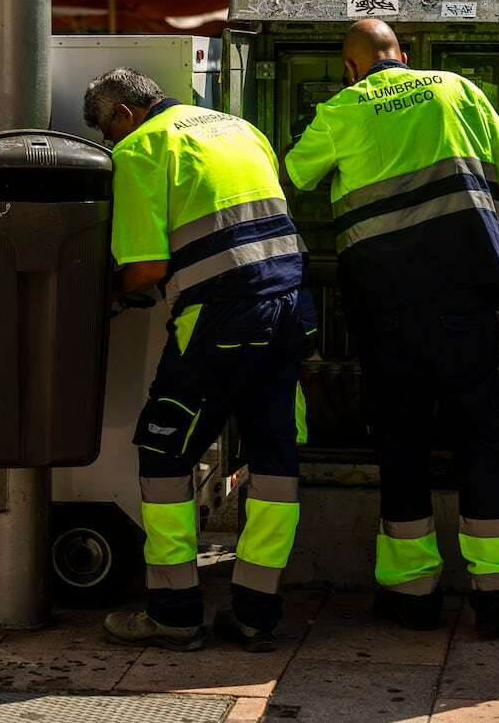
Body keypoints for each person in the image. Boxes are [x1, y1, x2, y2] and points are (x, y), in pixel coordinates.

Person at [284, 20, 499, 637]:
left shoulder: (340, 109)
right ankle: (498, 596)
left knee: (401, 442)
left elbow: (296, 177)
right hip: (464, 300)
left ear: (350, 67)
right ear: (405, 55)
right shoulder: (457, 89)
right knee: (479, 436)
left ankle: (413, 594)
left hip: (386, 309)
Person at [83, 68, 313, 653]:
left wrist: (105, 294)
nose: (113, 145)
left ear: (125, 117)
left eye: (109, 133)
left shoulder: (142, 148)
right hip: (290, 310)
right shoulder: (241, 127)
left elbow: (146, 268)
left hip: (221, 318)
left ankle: (174, 612)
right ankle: (258, 614)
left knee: (164, 451)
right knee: (274, 456)